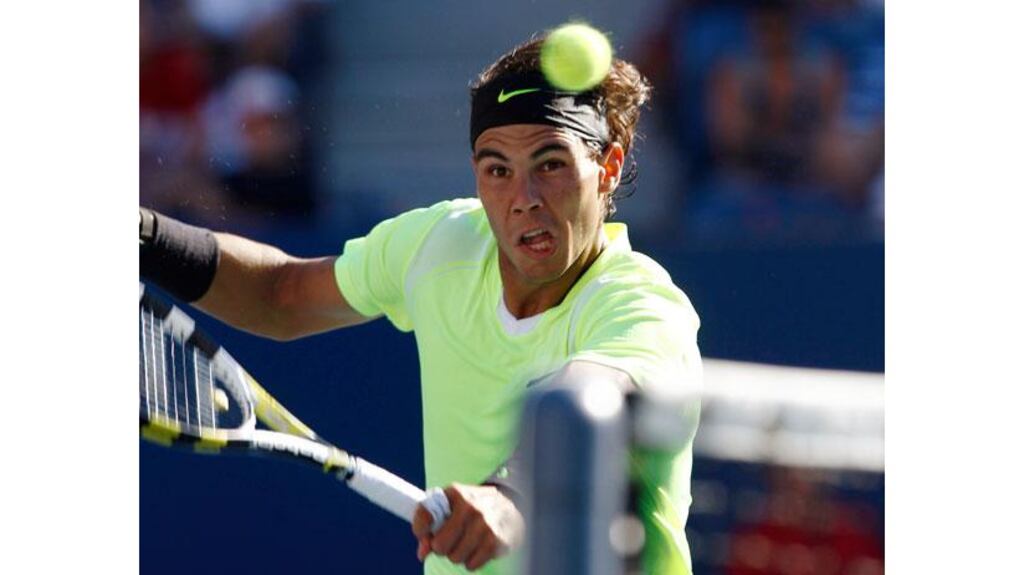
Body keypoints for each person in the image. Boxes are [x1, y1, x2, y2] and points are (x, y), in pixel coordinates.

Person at [140, 31, 702, 575]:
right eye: (498, 170)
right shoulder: (441, 245)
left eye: (550, 164)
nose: (523, 199)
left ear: (607, 169)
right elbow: (280, 294)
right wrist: (141, 235)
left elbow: (585, 408)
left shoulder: (644, 307)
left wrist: (507, 497)